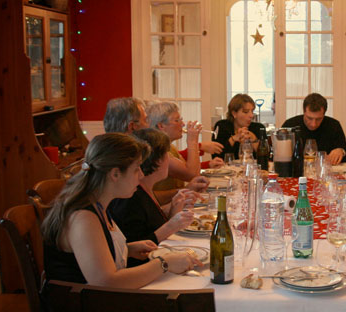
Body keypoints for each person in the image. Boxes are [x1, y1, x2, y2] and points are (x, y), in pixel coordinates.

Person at [41, 133, 198, 287]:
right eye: (137, 169)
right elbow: (107, 281)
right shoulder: (83, 217)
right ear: (115, 174)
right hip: (81, 308)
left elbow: (93, 254)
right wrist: (164, 263)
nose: (142, 174)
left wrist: (127, 250)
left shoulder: (98, 202)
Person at [109, 128, 198, 244]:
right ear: (158, 160)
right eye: (168, 155)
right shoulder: (130, 197)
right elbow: (135, 249)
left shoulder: (145, 189)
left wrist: (174, 209)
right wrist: (171, 225)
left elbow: (152, 227)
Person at [146, 101, 220, 197]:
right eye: (177, 120)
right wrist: (192, 142)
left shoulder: (170, 147)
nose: (183, 124)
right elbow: (192, 174)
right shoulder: (158, 150)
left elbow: (193, 170)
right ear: (161, 126)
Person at [281, 93, 346, 165]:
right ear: (304, 112)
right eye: (309, 118)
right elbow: (279, 156)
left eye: (318, 119)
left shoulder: (334, 125)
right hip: (296, 172)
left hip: (326, 172)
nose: (313, 124)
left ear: (324, 114)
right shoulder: (290, 125)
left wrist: (341, 151)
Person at [213, 93, 266, 160]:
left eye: (252, 111)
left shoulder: (259, 128)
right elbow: (216, 157)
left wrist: (254, 139)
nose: (251, 115)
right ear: (234, 113)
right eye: (246, 112)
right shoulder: (222, 126)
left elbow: (265, 158)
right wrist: (233, 139)